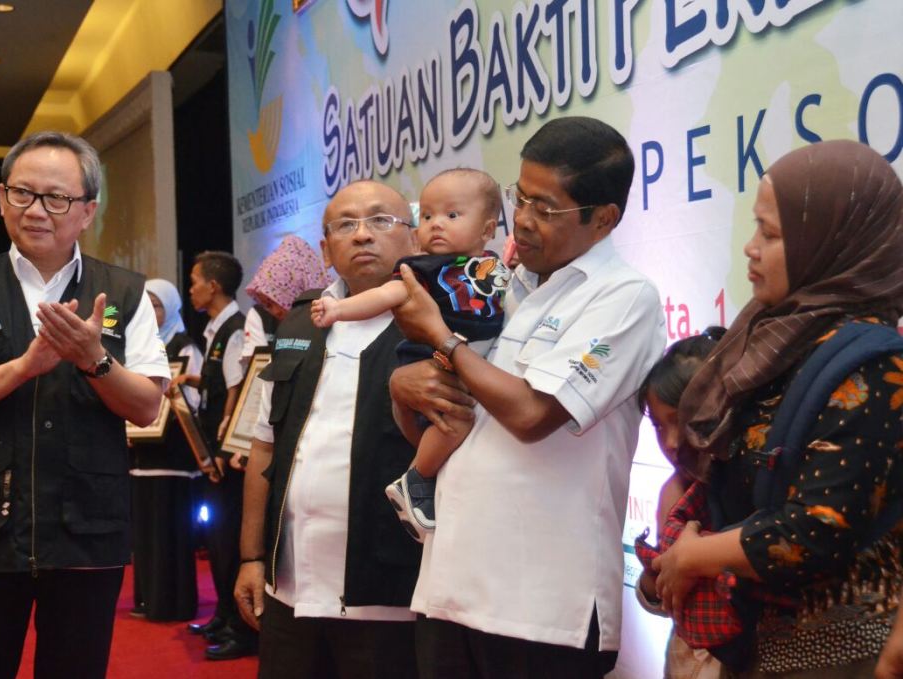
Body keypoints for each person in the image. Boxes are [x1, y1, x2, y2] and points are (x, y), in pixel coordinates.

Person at [389, 116, 666, 678]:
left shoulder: (624, 297)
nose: (524, 219)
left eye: (547, 208)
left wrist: (442, 339)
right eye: (521, 197)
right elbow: (438, 422)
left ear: (604, 218)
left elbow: (532, 415)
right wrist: (403, 388)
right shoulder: (498, 282)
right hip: (450, 586)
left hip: (542, 607)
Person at [0, 131, 170, 679]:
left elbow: (147, 406)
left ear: (88, 210)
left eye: (57, 198)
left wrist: (94, 358)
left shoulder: (124, 293)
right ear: (1, 199)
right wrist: (21, 368)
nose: (36, 210)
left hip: (85, 533)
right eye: (22, 193)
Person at [652, 140, 903, 678]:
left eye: (770, 234)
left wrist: (694, 556)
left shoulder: (875, 365)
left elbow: (818, 529)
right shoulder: (778, 341)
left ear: (829, 243)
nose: (750, 248)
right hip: (761, 643)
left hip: (843, 652)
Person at [233, 180, 422, 679]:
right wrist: (252, 557)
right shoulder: (299, 323)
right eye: (345, 225)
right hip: (291, 587)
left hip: (391, 595)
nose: (362, 235)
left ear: (414, 238)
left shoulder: (435, 325)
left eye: (381, 220)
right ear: (325, 249)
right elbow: (264, 445)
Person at [311, 168, 508, 541]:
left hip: (476, 367)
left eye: (452, 215)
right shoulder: (421, 270)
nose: (437, 225)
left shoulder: (494, 266)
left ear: (487, 229)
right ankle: (417, 477)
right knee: (455, 421)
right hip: (436, 360)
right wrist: (337, 310)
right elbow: (385, 295)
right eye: (428, 216)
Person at [177, 250, 256, 661]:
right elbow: (218, 380)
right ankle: (224, 615)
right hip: (211, 451)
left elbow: (236, 393)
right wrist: (190, 378)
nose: (190, 289)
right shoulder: (215, 329)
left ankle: (239, 627)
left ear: (213, 286)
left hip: (226, 455)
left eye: (194, 282)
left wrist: (224, 450)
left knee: (229, 541)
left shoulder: (237, 329)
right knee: (217, 539)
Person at [635, 329, 725, 679]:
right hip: (684, 661)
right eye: (659, 426)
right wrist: (655, 577)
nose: (671, 442)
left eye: (682, 422)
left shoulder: (751, 487)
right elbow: (666, 600)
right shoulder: (672, 493)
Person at [128, 278, 205, 621]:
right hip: (142, 456)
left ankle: (174, 603)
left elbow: (195, 401)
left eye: (156, 304)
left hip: (173, 456)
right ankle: (148, 599)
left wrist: (170, 404)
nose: (150, 311)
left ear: (171, 307)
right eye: (145, 304)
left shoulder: (185, 347)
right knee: (146, 531)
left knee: (171, 531)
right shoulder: (138, 344)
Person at [241, 234, 331, 358]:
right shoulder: (263, 317)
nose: (275, 311)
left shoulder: (333, 312)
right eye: (267, 305)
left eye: (278, 299)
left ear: (295, 289)